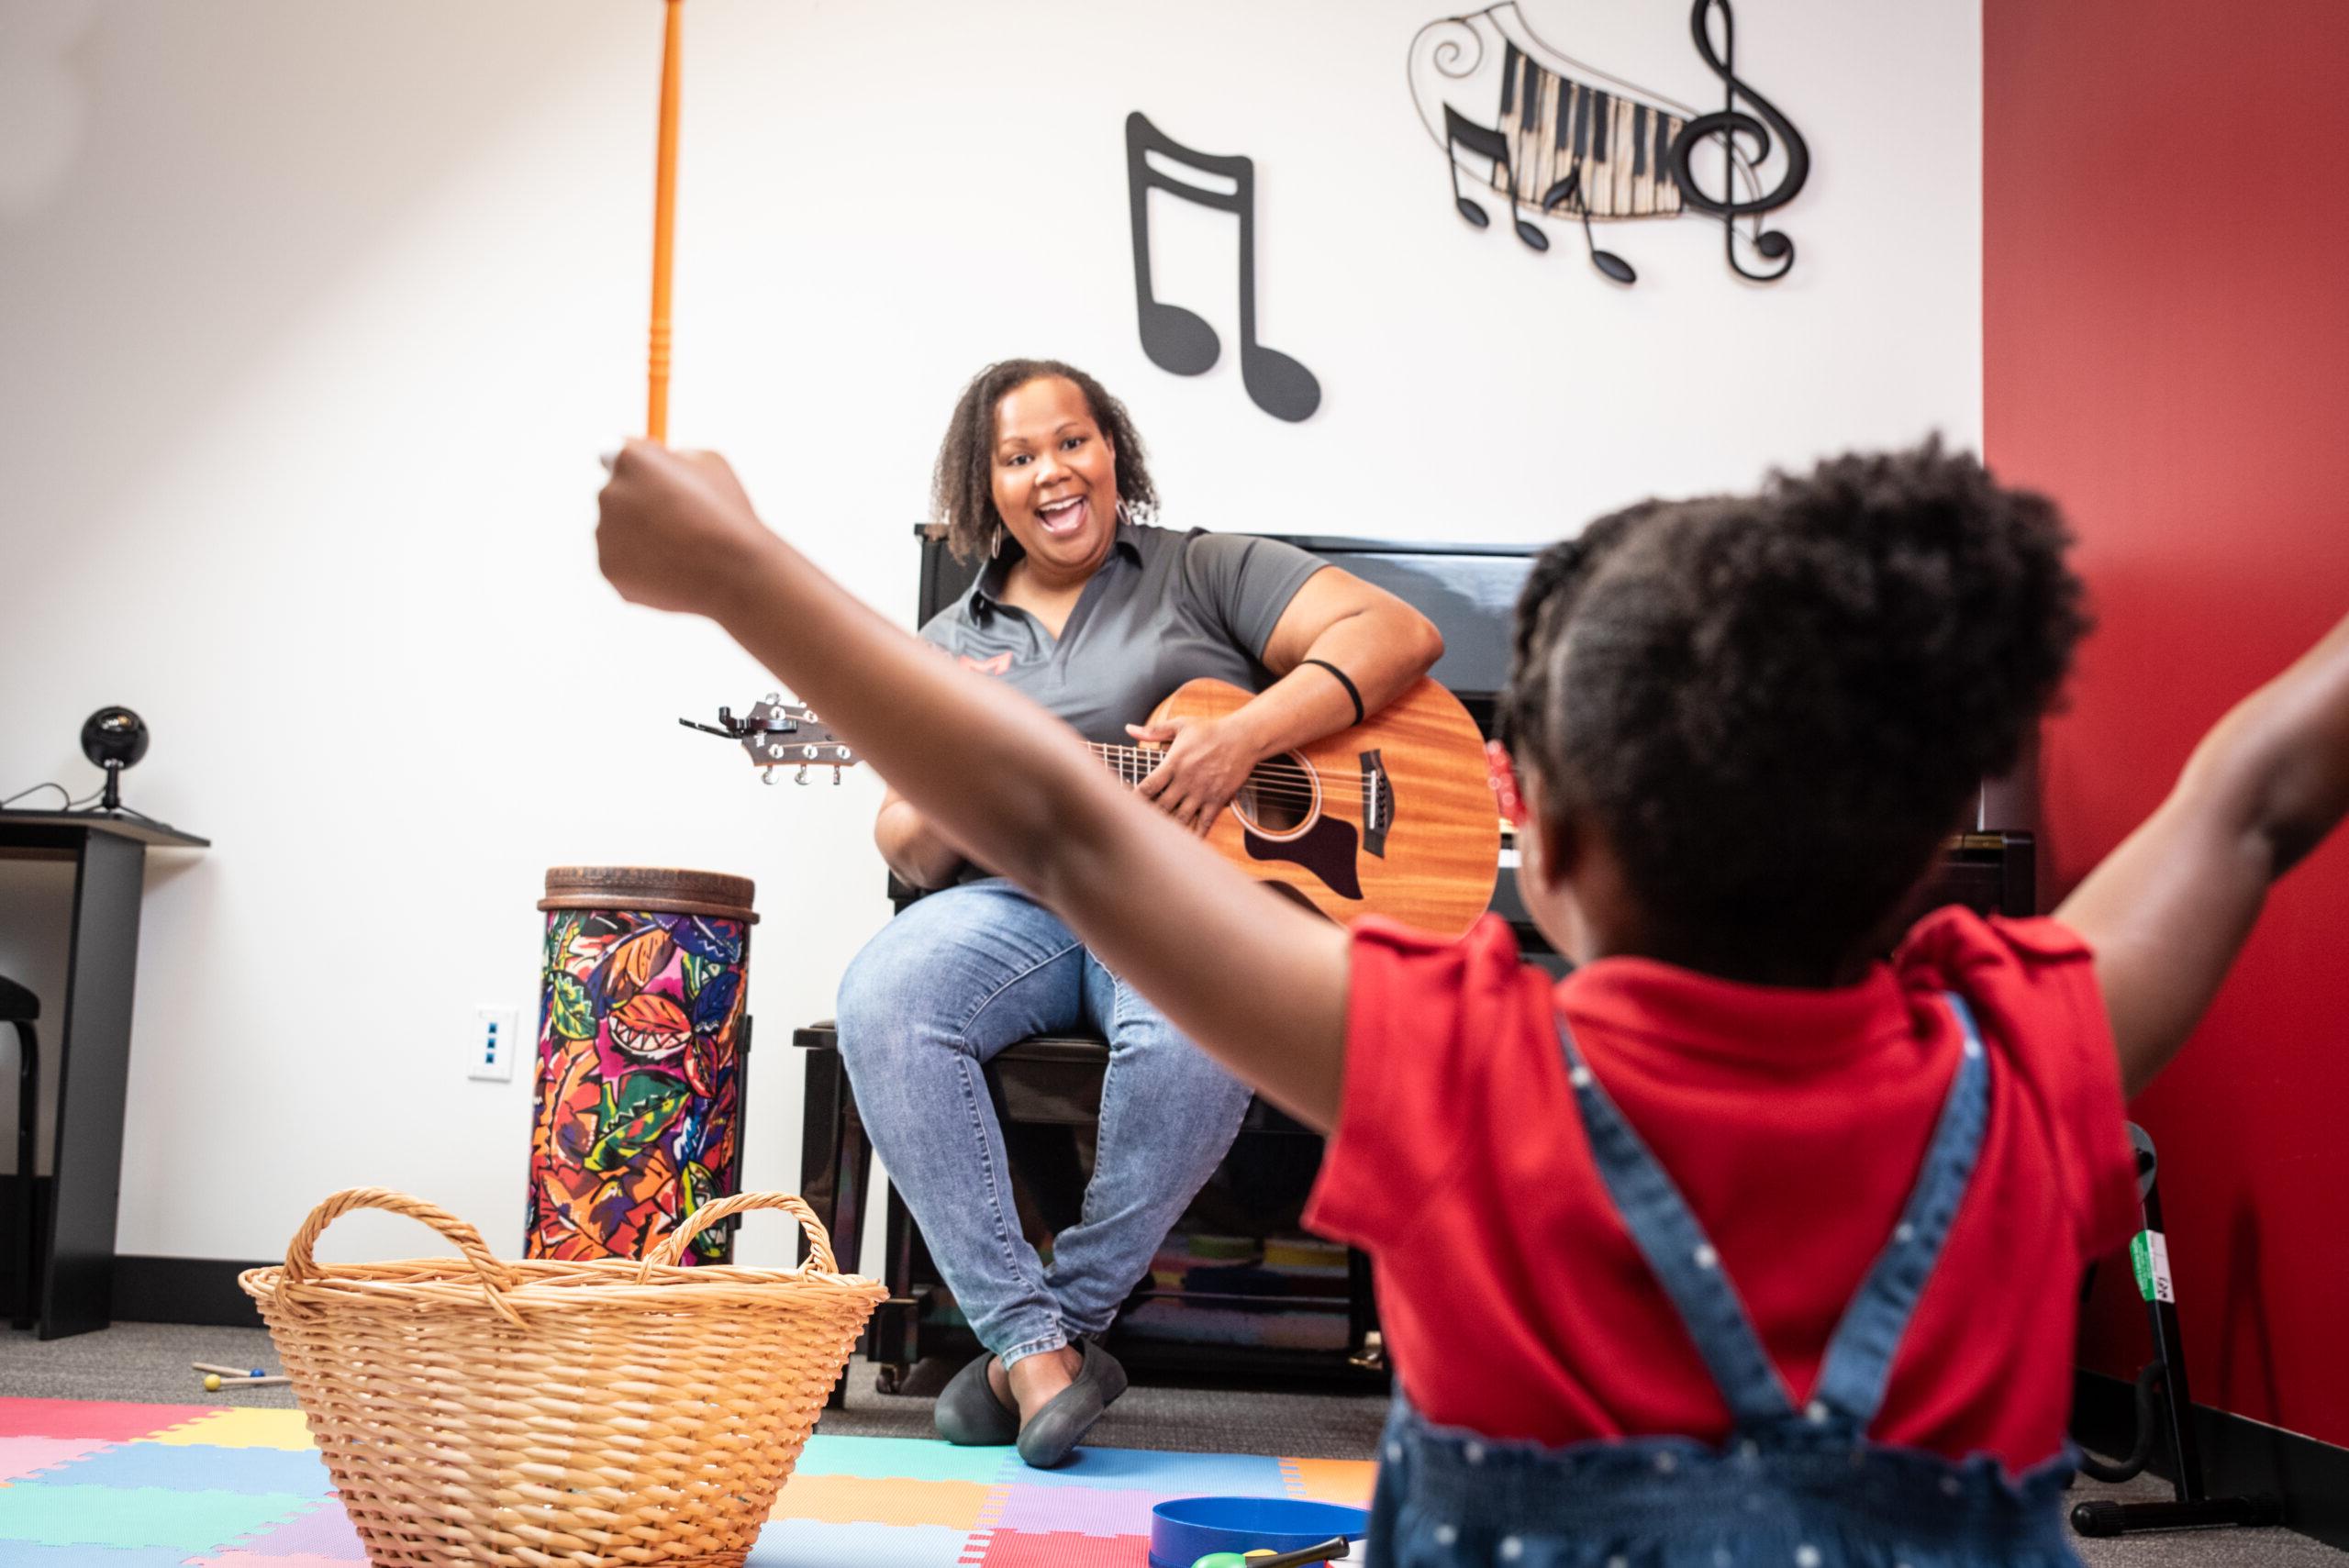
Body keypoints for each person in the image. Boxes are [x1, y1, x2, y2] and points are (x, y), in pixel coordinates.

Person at [596, 439, 2349, 1563]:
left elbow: (1056, 828)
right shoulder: (2026, 1042)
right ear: (1922, 845)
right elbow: (2255, 797)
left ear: (1529, 817)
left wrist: (738, 567)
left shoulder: (1446, 1051)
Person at [830, 360, 1443, 1466]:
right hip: (1019, 900)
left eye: (1071, 441)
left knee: (1202, 1023)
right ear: (987, 487)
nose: (1051, 473)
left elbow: (1393, 632)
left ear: (1112, 448)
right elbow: (906, 847)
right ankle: (1040, 1349)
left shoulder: (1204, 569)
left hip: (1186, 900)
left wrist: (1243, 736)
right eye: (1017, 458)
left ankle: (1043, 1334)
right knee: (884, 992)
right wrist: (954, 784)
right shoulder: (945, 643)